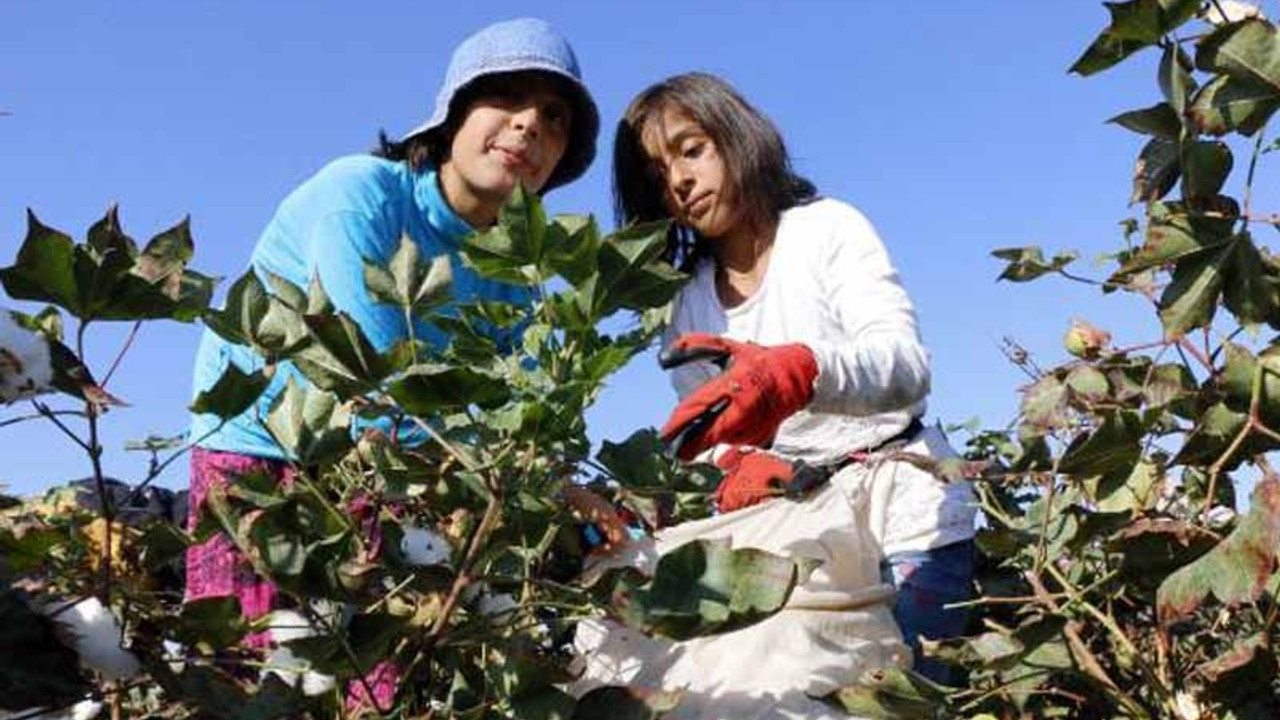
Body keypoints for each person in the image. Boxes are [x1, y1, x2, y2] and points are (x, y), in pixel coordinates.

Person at [183, 17, 599, 709]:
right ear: (453, 113)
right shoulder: (360, 194)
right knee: (245, 680)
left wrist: (567, 490)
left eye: (554, 118)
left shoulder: (515, 278)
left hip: (401, 470)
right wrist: (525, 481)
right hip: (262, 458)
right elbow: (369, 378)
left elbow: (512, 414)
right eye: (506, 96)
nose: (528, 126)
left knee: (378, 690)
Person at [576, 72, 974, 707]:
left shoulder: (827, 231)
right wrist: (728, 466)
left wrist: (800, 372)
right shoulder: (688, 303)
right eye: (656, 173)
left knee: (906, 695)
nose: (677, 181)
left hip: (902, 508)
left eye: (691, 148)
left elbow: (905, 365)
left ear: (738, 134)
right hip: (798, 521)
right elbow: (708, 436)